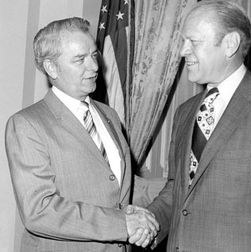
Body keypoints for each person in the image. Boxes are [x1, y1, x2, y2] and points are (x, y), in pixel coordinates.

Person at [147, 1, 251, 251]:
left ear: (230, 44)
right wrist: (145, 220)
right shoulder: (184, 112)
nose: (183, 50)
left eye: (194, 41)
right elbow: (178, 190)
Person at [5, 17, 159, 252]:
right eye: (80, 60)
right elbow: (39, 210)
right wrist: (122, 224)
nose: (95, 67)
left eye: (94, 55)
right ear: (51, 67)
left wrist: (181, 186)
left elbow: (118, 187)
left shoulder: (109, 115)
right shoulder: (28, 124)